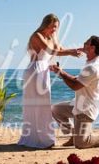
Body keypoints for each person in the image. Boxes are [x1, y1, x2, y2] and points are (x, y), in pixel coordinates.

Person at [18, 14, 83, 149]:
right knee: (35, 106)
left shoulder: (52, 37)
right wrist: (70, 52)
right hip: (35, 70)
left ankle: (44, 138)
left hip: (43, 71)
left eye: (56, 27)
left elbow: (60, 49)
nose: (54, 29)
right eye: (53, 26)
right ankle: (38, 139)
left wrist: (76, 50)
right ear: (46, 24)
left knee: (43, 106)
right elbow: (51, 50)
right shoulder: (37, 36)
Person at [50, 35, 99, 149]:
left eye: (86, 43)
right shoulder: (91, 62)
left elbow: (75, 86)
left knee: (81, 143)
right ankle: (75, 134)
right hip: (78, 104)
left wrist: (61, 72)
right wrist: (60, 72)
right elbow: (77, 79)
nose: (83, 44)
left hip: (86, 110)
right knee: (55, 109)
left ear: (92, 48)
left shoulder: (92, 68)